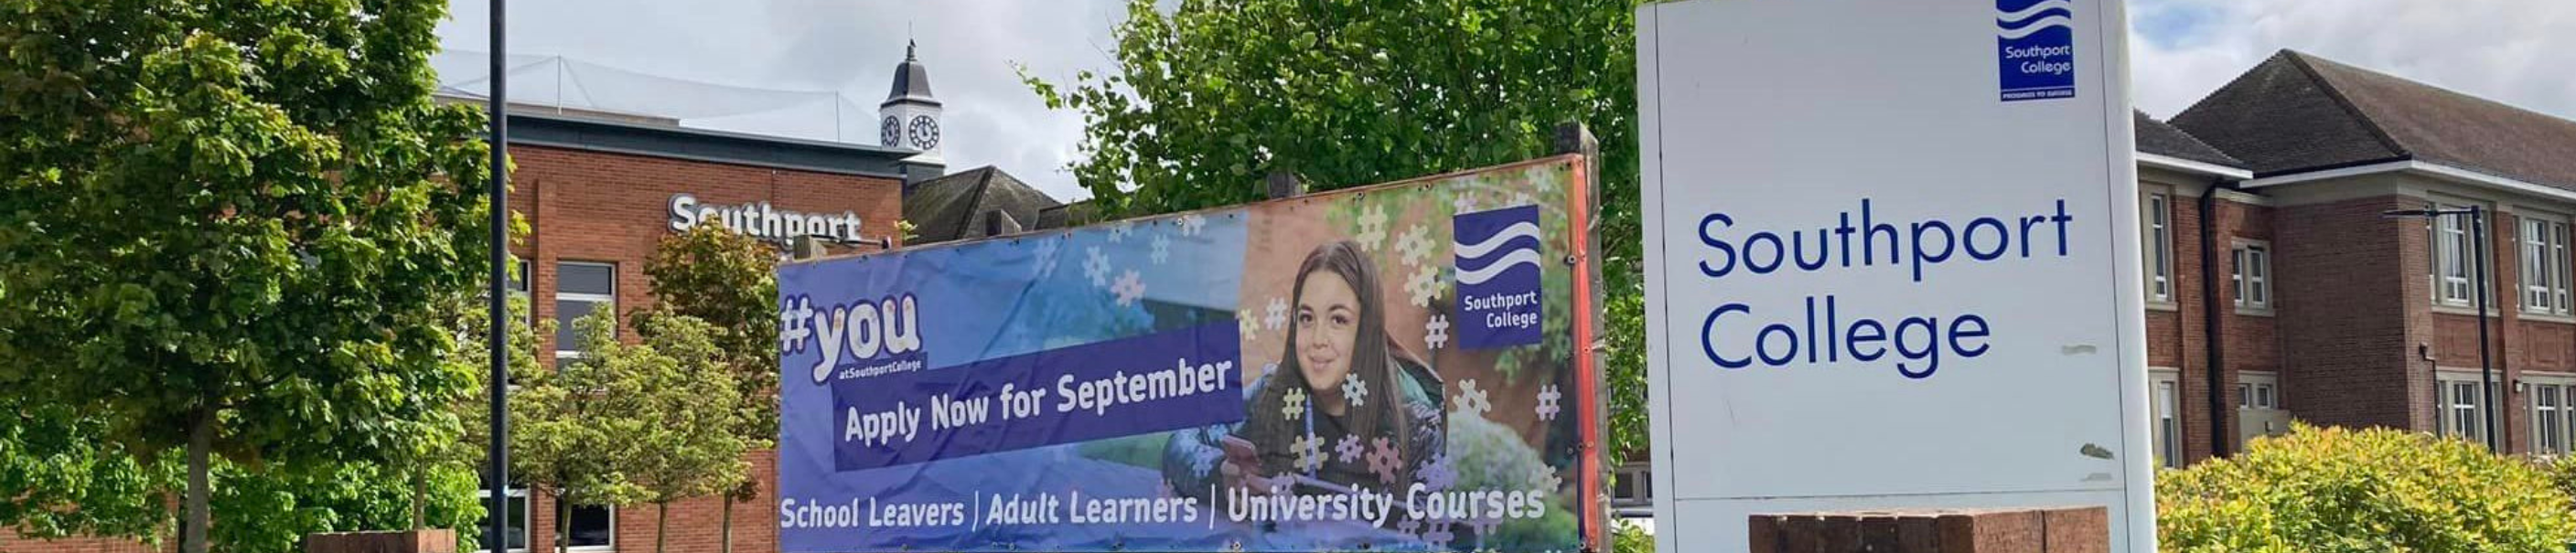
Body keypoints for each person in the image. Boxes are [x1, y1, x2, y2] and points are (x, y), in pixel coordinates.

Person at [1197, 239, 1445, 498]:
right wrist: (1220, 479)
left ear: (1366, 330)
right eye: (1306, 318)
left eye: (1338, 319)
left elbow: (1426, 531)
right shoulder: (1272, 394)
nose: (1318, 339)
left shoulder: (1415, 425)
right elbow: (1183, 444)